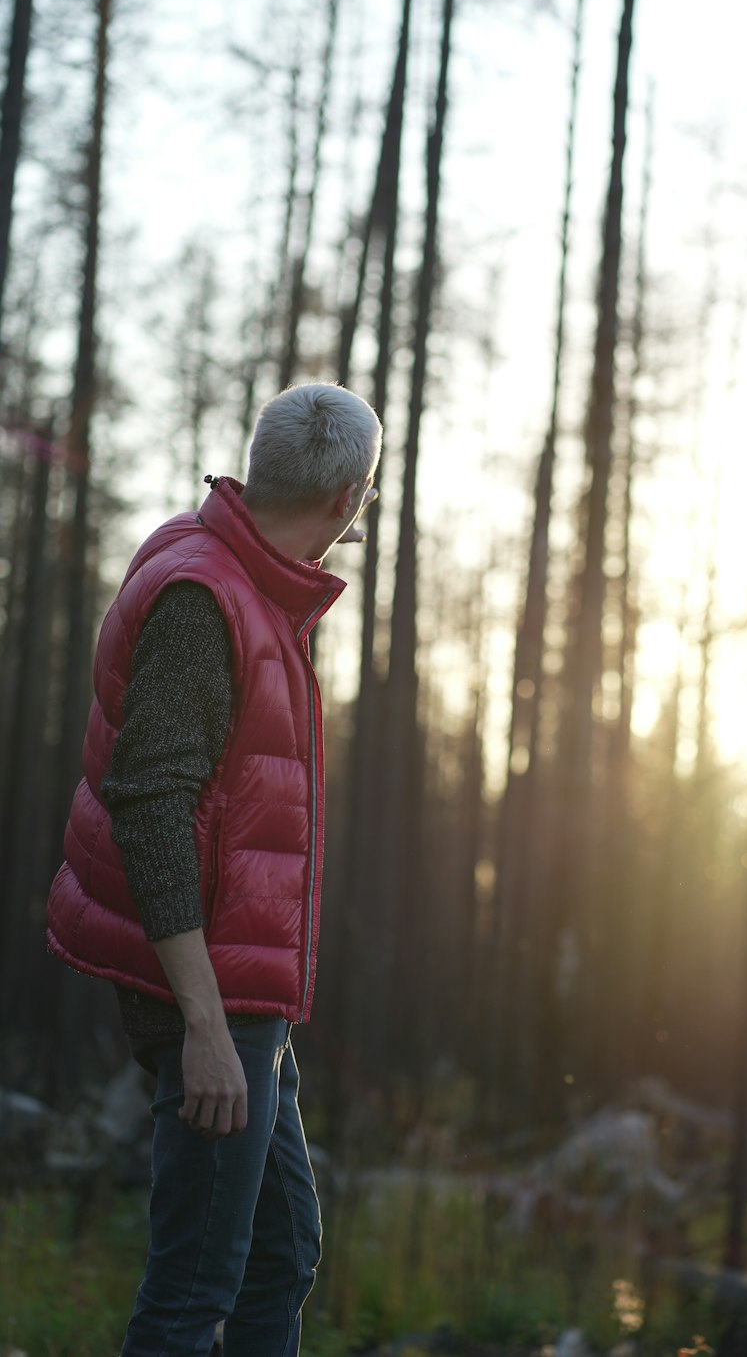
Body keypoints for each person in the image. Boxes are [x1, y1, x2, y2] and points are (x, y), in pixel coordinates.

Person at [46, 381, 382, 1356]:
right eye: (357, 503)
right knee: (194, 1292)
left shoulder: (241, 571)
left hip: (239, 991)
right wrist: (204, 1026)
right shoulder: (205, 597)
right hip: (208, 995)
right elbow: (147, 805)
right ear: (345, 498)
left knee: (280, 1256)